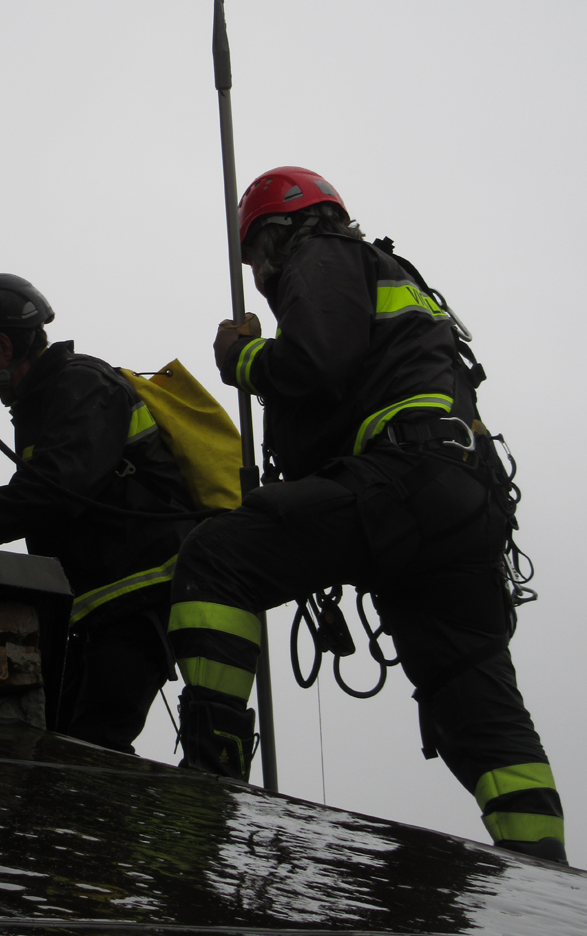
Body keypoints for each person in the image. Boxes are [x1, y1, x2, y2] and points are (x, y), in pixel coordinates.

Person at [167, 166, 565, 864]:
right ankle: (546, 877)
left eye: (255, 255)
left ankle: (208, 782)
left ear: (280, 230)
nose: (258, 274)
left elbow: (315, 361)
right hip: (459, 500)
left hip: (406, 477)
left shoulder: (321, 253)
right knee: (475, 700)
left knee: (217, 557)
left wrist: (243, 356)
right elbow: (331, 410)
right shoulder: (388, 282)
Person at [0, 273, 194, 753]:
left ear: (3, 348)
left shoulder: (83, 385)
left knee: (94, 747)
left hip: (141, 600)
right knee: (65, 744)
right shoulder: (46, 402)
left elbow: (52, 492)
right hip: (101, 612)